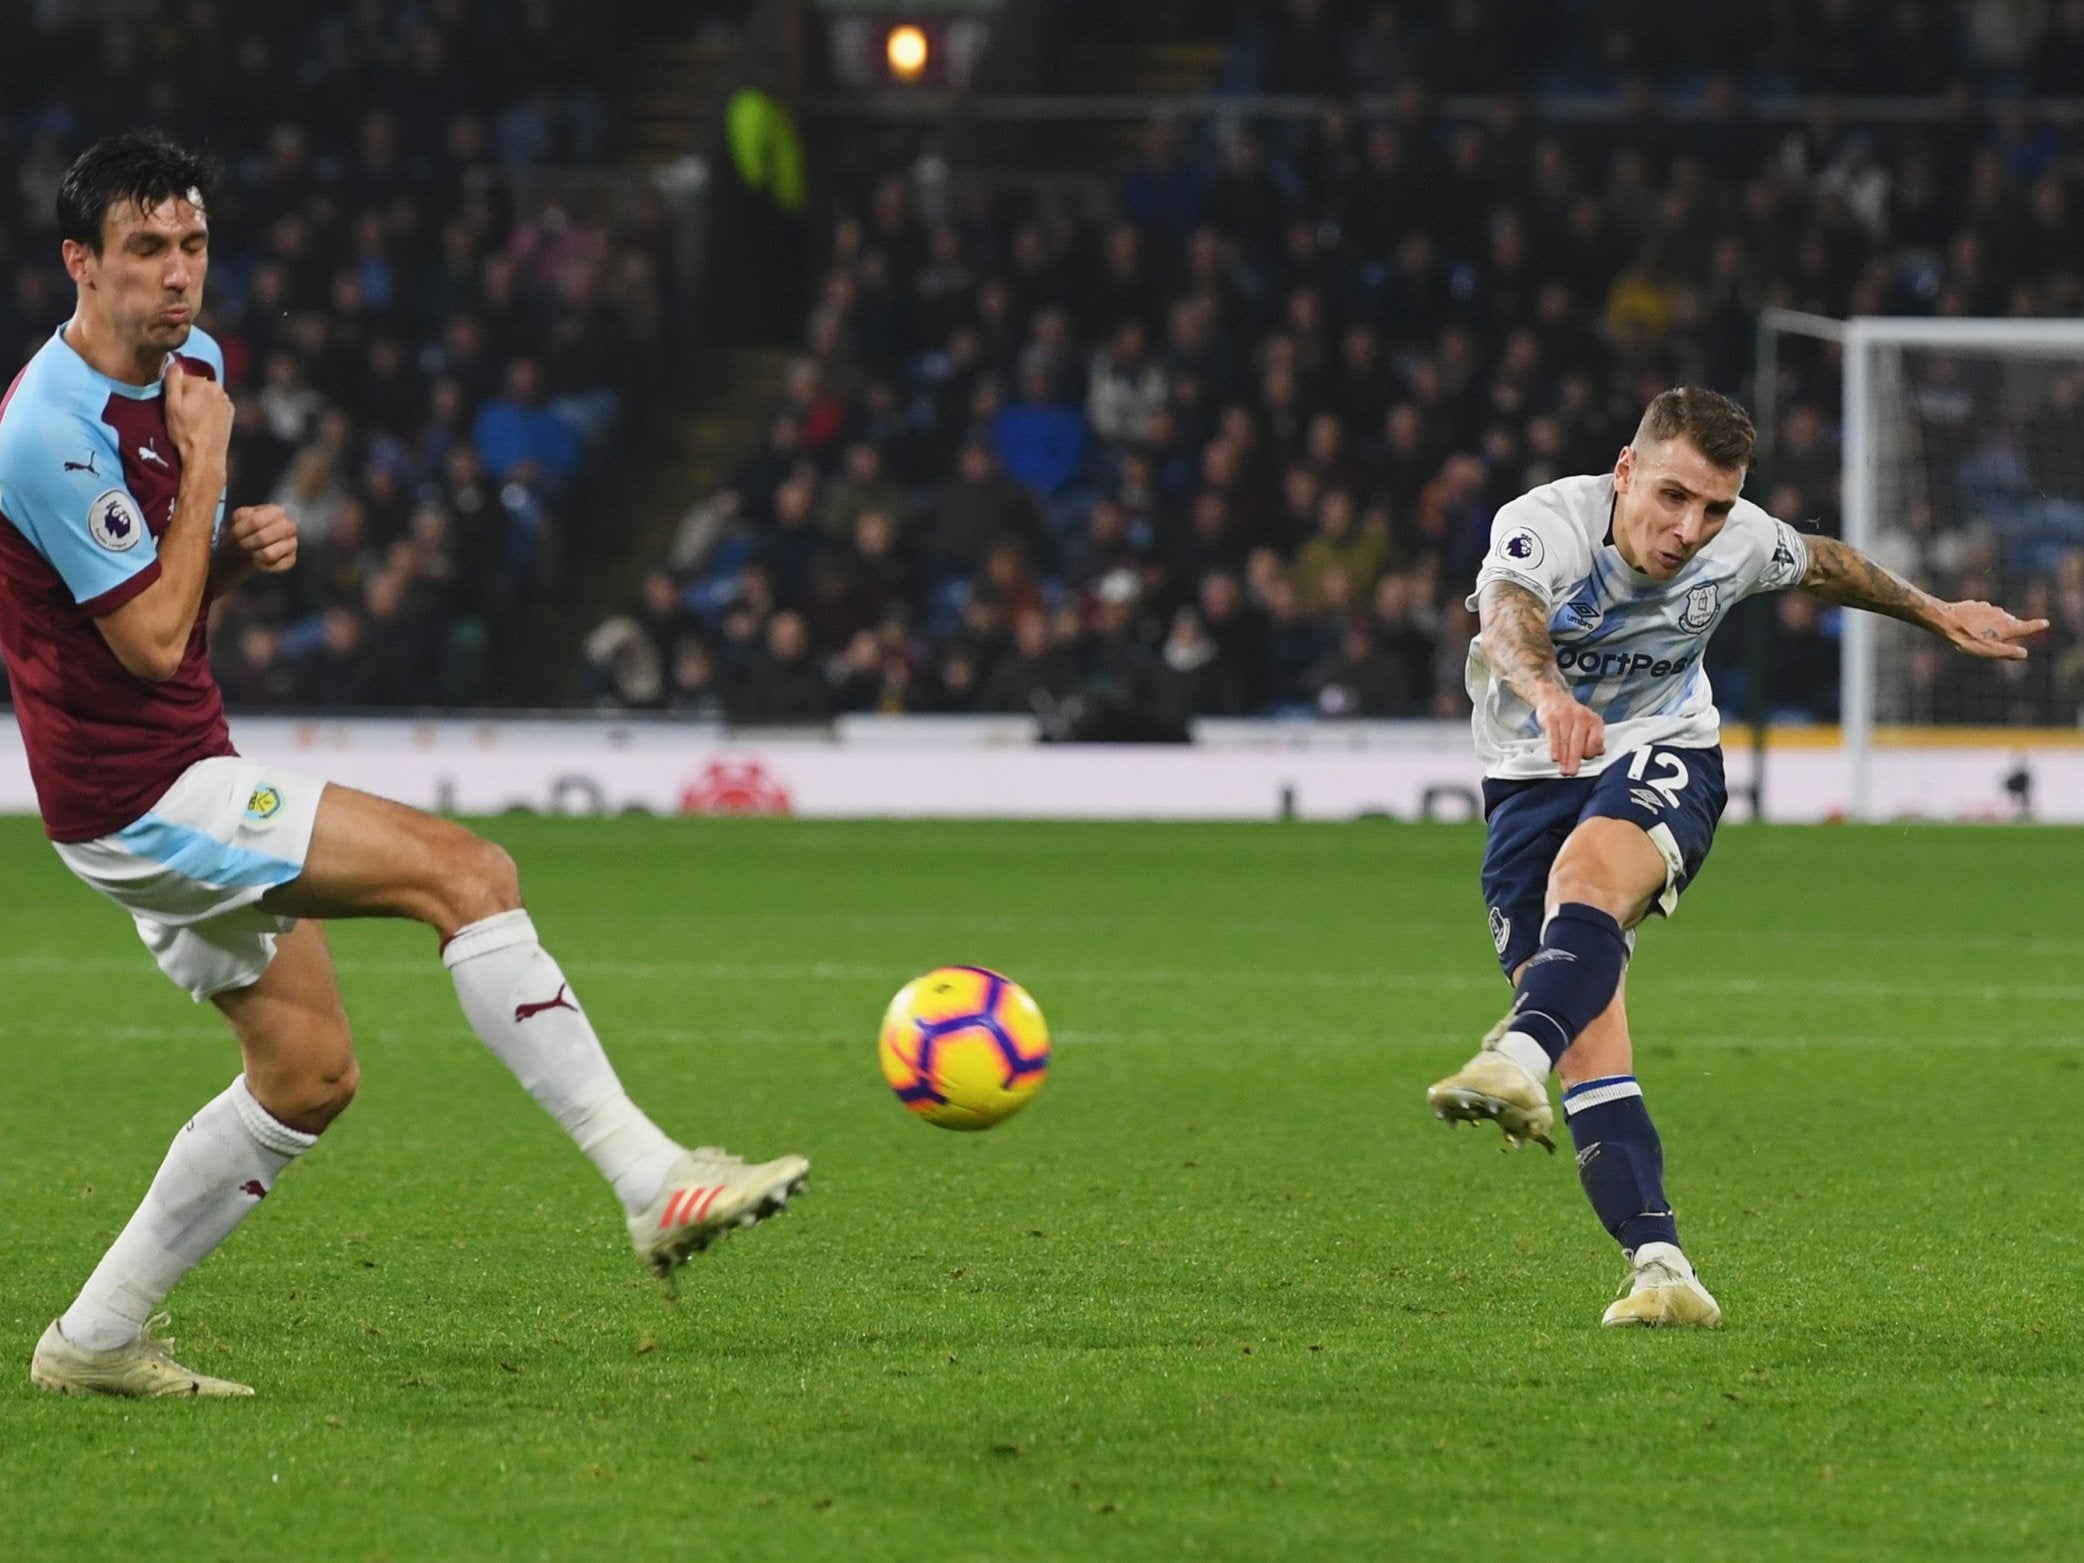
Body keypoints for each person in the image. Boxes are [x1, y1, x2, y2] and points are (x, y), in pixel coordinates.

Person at [0, 134, 809, 1400]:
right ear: (79, 264)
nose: (177, 278)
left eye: (193, 247)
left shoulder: (194, 363)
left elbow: (167, 583)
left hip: (177, 764)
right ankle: (654, 1183)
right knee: (468, 874)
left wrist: (235, 549)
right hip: (138, 798)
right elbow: (152, 645)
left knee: (306, 1077)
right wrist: (211, 471)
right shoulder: (45, 428)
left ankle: (93, 1341)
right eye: (145, 250)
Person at [1426, 387, 2045, 1328]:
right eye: (1673, 497)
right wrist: (1549, 694)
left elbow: (1827, 565)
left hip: (1664, 753)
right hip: (1529, 775)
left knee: (1585, 880)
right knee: (1592, 1038)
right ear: (1626, 470)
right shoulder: (1545, 523)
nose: (1691, 529)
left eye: (1714, 507)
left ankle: (1513, 1050)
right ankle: (1661, 1267)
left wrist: (1936, 611)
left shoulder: (1739, 540)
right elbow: (1509, 615)